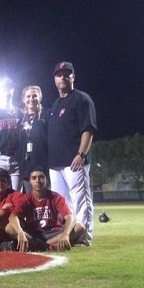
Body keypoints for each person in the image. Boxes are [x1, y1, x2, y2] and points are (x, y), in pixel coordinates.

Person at [48, 61, 97, 245]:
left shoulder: (82, 99)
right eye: (59, 74)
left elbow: (88, 129)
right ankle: (66, 234)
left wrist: (81, 154)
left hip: (74, 160)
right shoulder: (55, 104)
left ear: (73, 77)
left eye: (67, 74)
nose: (63, 77)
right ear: (54, 79)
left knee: (80, 199)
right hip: (56, 163)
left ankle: (84, 237)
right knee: (62, 203)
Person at [9, 166, 86, 251]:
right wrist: (20, 232)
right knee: (9, 228)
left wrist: (66, 234)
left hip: (53, 233)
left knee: (80, 227)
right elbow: (13, 217)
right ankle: (51, 246)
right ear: (30, 181)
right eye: (34, 178)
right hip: (33, 234)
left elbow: (70, 217)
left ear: (47, 179)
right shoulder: (26, 198)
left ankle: (42, 246)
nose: (38, 181)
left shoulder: (55, 197)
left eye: (41, 177)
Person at [16, 85, 48, 192]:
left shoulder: (45, 116)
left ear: (40, 97)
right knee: (30, 196)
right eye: (28, 96)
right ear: (23, 99)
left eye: (34, 96)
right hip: (26, 165)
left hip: (42, 164)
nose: (31, 99)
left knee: (44, 196)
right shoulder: (20, 119)